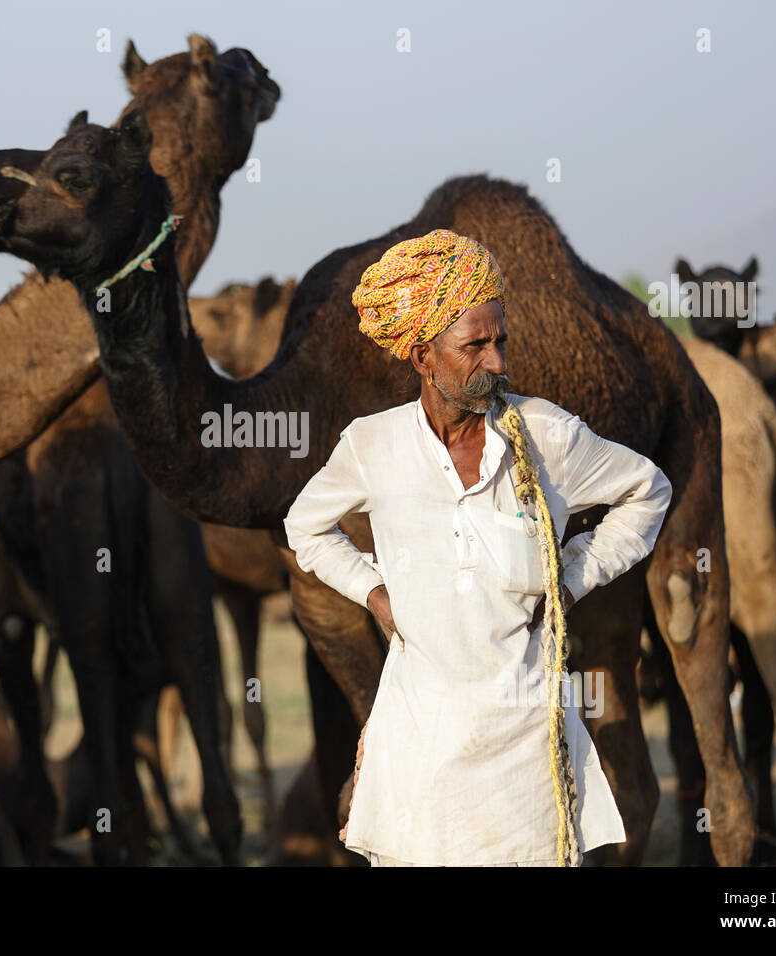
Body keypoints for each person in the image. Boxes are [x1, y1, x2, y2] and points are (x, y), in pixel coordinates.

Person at [283, 230, 672, 866]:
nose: (495, 362)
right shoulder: (372, 445)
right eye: (474, 345)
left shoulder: (544, 435)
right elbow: (306, 527)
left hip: (523, 755)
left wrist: (571, 574)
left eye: (499, 342)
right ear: (422, 356)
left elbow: (647, 490)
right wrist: (374, 592)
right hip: (421, 752)